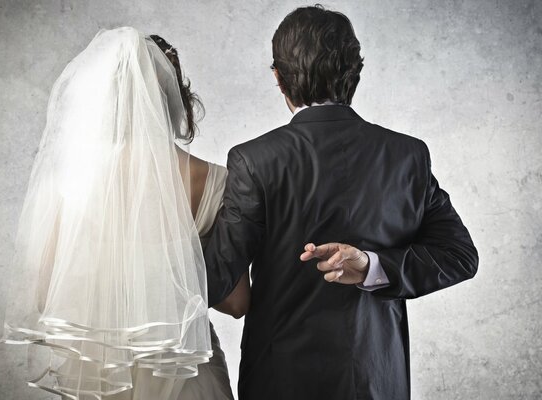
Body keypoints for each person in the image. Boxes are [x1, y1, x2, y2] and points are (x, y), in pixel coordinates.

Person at [203, 5, 478, 400]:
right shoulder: (407, 155)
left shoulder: (254, 160)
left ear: (279, 78)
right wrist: (373, 267)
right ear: (356, 73)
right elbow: (459, 256)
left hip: (279, 381)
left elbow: (215, 280)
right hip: (377, 380)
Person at [2, 27, 248, 400]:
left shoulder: (74, 181)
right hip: (188, 378)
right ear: (173, 96)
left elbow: (43, 296)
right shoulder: (213, 180)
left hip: (106, 379)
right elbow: (237, 303)